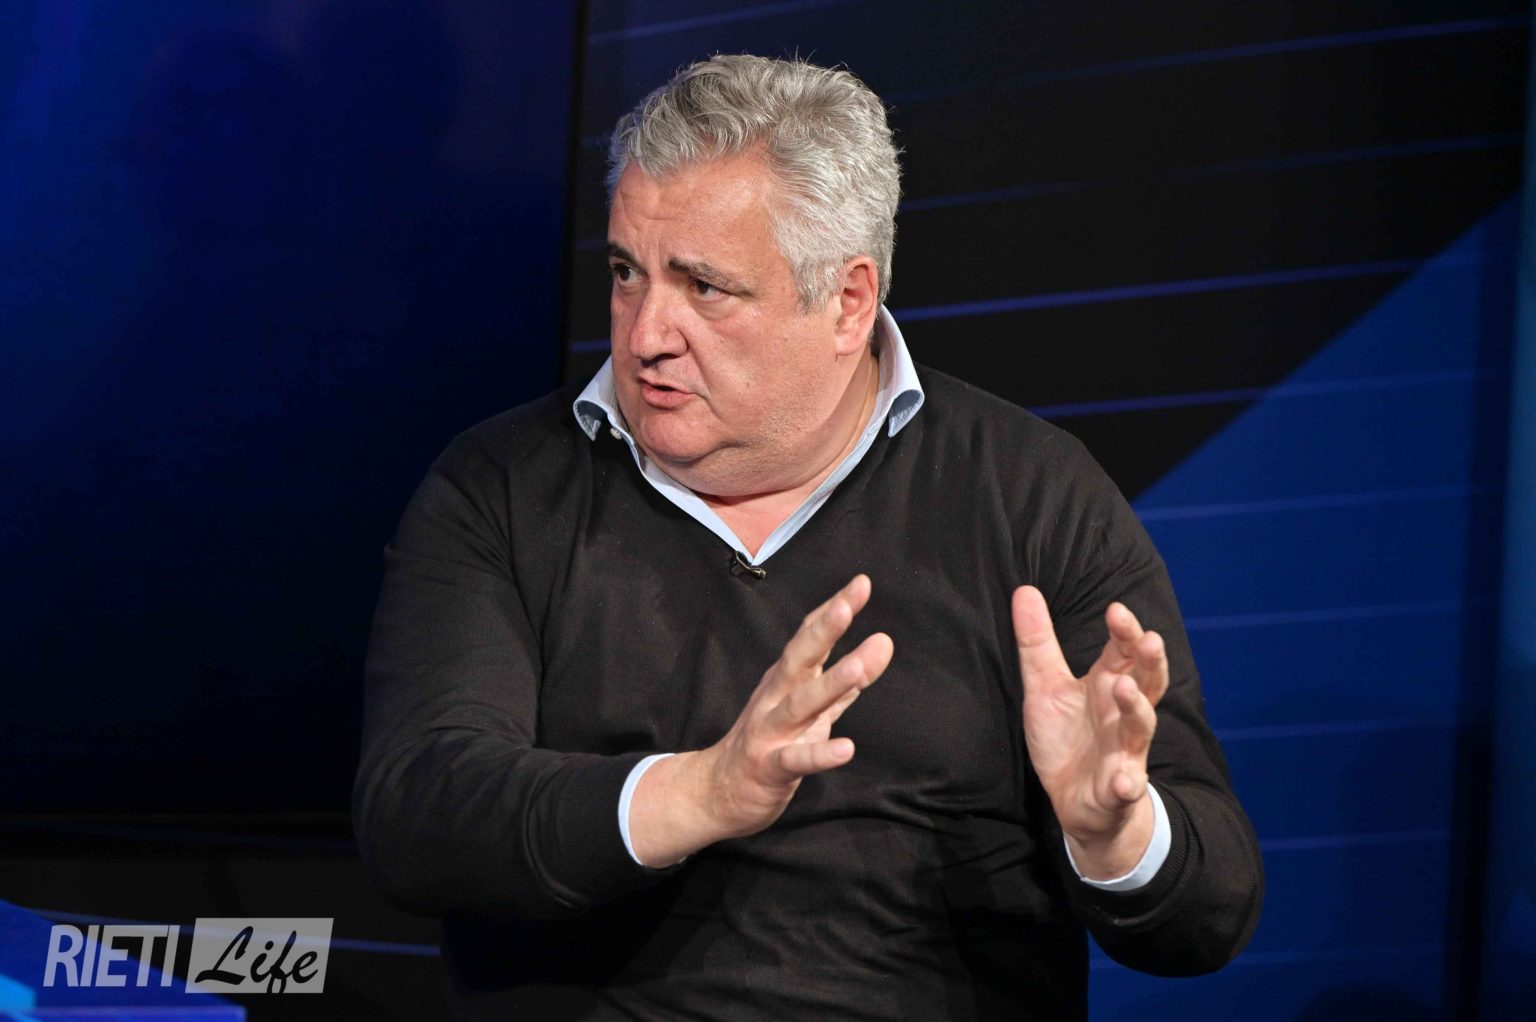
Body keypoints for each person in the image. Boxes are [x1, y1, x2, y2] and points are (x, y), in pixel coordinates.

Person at [354, 54, 1263, 1020]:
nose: (646, 333)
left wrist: (1114, 836)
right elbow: (419, 814)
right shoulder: (502, 487)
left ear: (847, 302)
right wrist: (702, 792)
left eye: (705, 288)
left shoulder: (1031, 498)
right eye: (627, 273)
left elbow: (1211, 916)